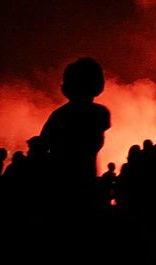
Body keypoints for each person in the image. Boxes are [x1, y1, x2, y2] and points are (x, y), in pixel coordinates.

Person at [39, 57, 111, 208]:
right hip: (77, 188)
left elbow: (42, 148)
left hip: (60, 189)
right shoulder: (99, 114)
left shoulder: (59, 116)